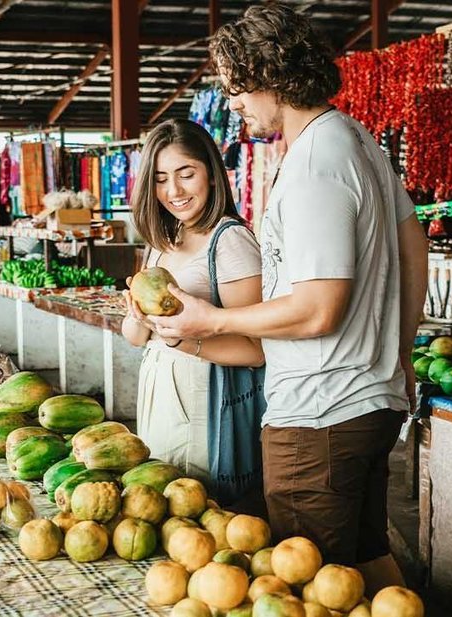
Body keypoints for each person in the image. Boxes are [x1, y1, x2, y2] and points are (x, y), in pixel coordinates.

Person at [147, 4, 429, 595]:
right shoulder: (355, 139)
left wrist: (210, 317)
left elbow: (318, 307)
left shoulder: (315, 166)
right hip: (364, 399)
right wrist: (396, 351)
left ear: (270, 74)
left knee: (311, 590)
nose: (234, 103)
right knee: (370, 567)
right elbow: (413, 242)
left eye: (237, 88)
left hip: (319, 413)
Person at [121, 119, 265, 484]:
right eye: (161, 178)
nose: (174, 190)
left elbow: (257, 350)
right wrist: (137, 315)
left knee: (198, 507)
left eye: (186, 174)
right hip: (159, 397)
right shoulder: (162, 240)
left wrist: (182, 339)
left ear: (212, 175)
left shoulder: (229, 241)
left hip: (206, 401)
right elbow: (136, 338)